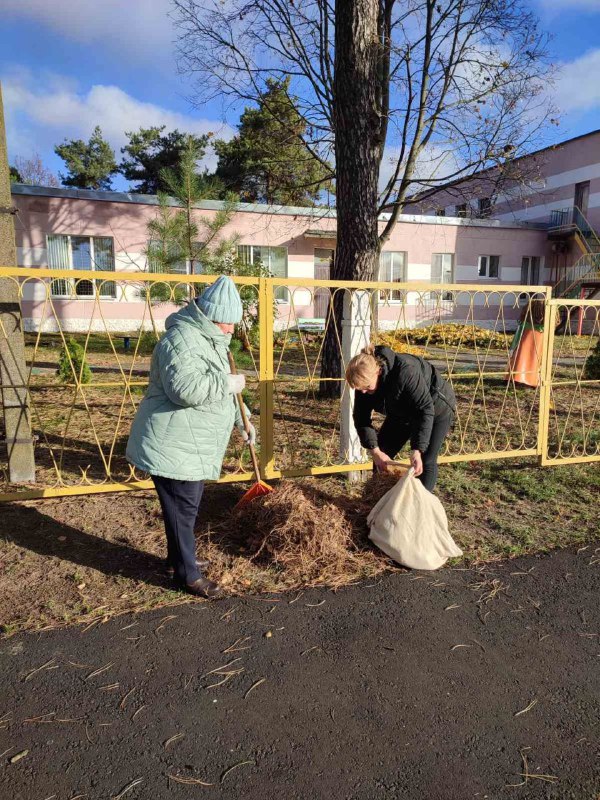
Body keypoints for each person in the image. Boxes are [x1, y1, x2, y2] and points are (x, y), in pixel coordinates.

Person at [126, 275, 255, 599]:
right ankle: (188, 575)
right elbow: (186, 390)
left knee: (183, 509)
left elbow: (223, 392)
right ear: (211, 316)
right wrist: (229, 384)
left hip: (188, 444)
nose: (231, 330)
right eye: (228, 323)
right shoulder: (180, 340)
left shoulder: (210, 341)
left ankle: (176, 560)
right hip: (171, 443)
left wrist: (244, 420)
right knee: (183, 509)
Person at [345, 344, 455, 492]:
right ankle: (379, 502)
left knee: (425, 460)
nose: (363, 392)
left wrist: (417, 449)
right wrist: (376, 452)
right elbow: (361, 418)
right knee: (383, 453)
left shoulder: (406, 371)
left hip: (436, 408)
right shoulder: (364, 381)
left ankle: (418, 508)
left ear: (378, 371)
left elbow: (424, 410)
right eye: (359, 389)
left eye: (367, 387)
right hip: (401, 411)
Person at [506, 298, 545, 388]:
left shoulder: (523, 325)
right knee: (533, 359)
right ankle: (531, 379)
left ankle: (516, 377)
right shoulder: (542, 329)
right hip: (536, 338)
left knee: (520, 357)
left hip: (525, 337)